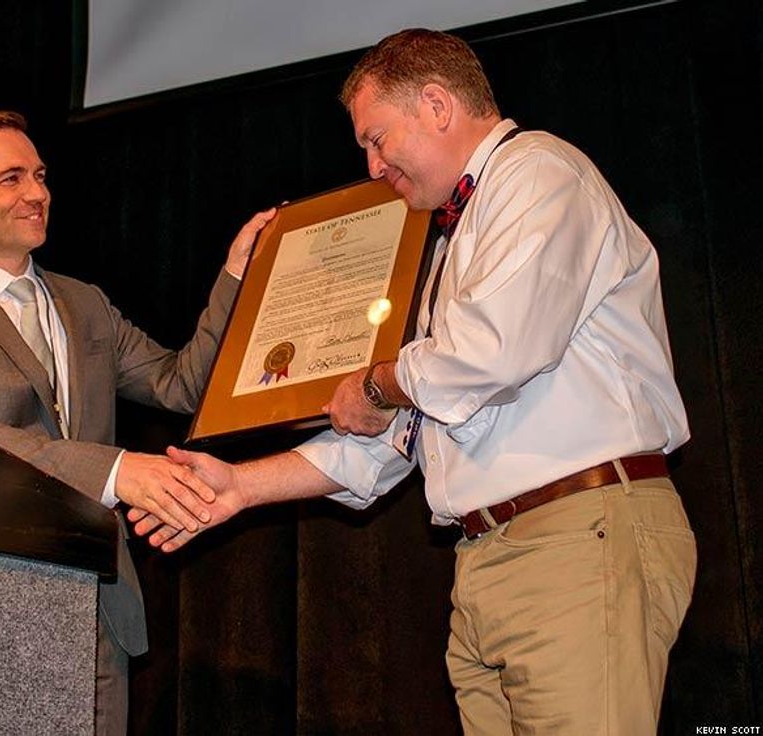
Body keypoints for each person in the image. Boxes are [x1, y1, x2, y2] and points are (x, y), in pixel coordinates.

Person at [131, 29, 696, 734]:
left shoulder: (540, 174)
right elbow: (396, 436)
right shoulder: (449, 246)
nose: (371, 167)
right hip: (492, 561)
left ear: (436, 104)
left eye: (377, 138)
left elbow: (487, 352)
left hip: (579, 537)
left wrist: (375, 385)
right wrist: (241, 487)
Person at [0, 110, 274, 734]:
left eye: (39, 174)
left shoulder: (83, 301)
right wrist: (115, 470)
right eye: (10, 179)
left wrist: (237, 275)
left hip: (95, 606)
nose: (37, 193)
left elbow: (181, 383)